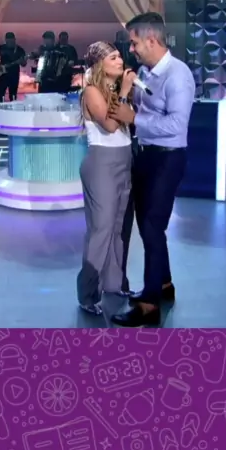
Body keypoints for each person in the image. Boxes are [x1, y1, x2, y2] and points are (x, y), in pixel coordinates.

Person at [109, 12, 195, 328]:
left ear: (152, 40)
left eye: (134, 43)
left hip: (167, 159)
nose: (131, 49)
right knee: (149, 227)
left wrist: (134, 119)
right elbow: (143, 105)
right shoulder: (146, 71)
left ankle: (149, 304)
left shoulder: (178, 75)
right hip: (145, 155)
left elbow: (177, 124)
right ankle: (164, 284)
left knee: (152, 226)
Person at [77, 41, 136, 316]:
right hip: (101, 163)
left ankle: (114, 283)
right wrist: (124, 93)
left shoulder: (116, 89)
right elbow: (111, 125)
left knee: (118, 227)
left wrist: (125, 92)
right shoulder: (91, 91)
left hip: (125, 160)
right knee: (101, 229)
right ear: (99, 64)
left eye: (119, 56)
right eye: (113, 57)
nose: (120, 61)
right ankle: (88, 294)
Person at [0, 32, 27, 102]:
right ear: (5, 40)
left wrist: (22, 61)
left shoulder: (19, 50)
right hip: (2, 75)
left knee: (13, 97)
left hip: (14, 75)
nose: (9, 43)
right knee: (0, 96)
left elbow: (24, 64)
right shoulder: (1, 48)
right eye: (8, 41)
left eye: (11, 41)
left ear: (14, 40)